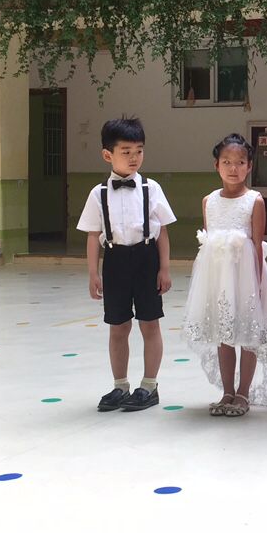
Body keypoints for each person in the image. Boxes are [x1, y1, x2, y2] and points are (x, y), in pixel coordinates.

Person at [182, 134, 267, 417]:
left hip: (246, 279)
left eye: (240, 162)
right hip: (218, 280)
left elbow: (256, 245)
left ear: (249, 166)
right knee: (224, 333)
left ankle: (243, 393)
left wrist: (259, 284)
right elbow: (210, 242)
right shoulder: (209, 201)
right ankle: (227, 391)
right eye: (227, 162)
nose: (233, 168)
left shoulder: (254, 200)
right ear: (216, 165)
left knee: (249, 334)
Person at [77, 117, 176, 413]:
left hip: (146, 258)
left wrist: (164, 268)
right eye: (126, 151)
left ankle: (149, 385)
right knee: (117, 326)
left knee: (150, 323)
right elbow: (93, 235)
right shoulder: (98, 193)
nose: (134, 158)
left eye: (139, 151)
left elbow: (162, 231)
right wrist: (93, 273)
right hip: (115, 260)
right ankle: (120, 385)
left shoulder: (151, 188)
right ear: (107, 155)